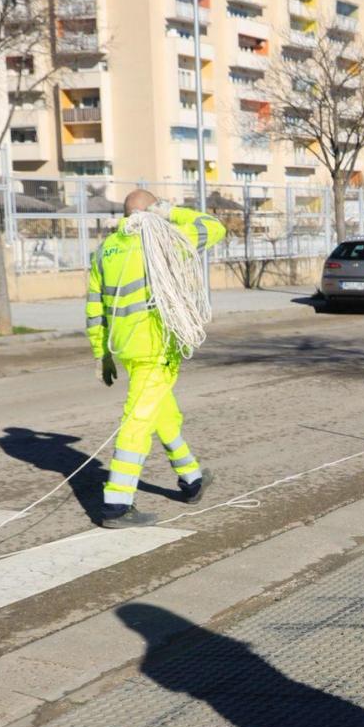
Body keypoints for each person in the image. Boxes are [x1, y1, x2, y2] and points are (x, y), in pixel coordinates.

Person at [85, 189, 227, 527]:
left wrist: (101, 353)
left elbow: (94, 307)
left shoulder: (105, 249)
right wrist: (171, 211)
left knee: (164, 414)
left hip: (127, 348)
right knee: (137, 421)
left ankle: (191, 478)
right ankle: (117, 504)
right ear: (151, 213)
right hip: (157, 347)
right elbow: (214, 227)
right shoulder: (165, 241)